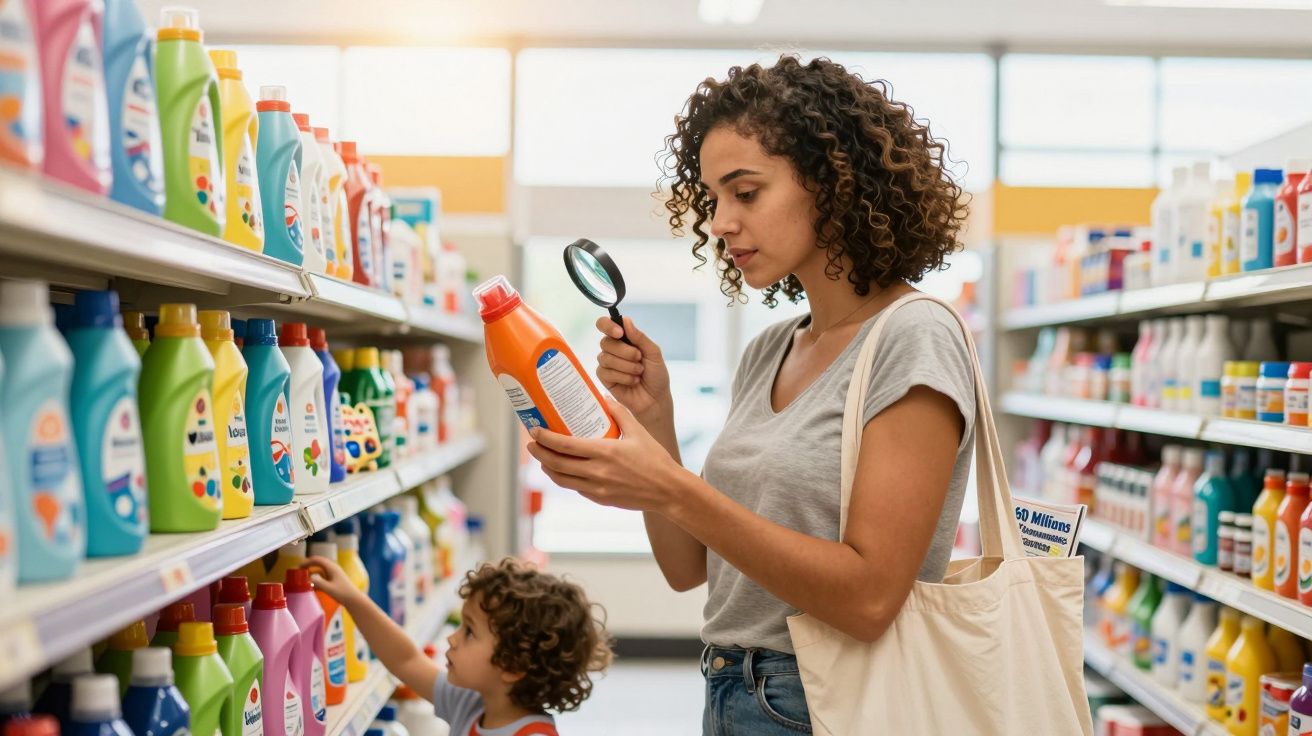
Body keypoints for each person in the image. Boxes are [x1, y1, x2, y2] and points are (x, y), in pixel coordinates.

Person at [526, 54, 974, 734]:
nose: (719, 223)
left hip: (829, 703)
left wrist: (672, 487)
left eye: (745, 192)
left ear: (833, 185)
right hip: (729, 688)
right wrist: (656, 422)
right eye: (713, 199)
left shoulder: (915, 336)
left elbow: (870, 600)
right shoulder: (771, 350)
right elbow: (688, 569)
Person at [305, 555, 613, 736]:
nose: (452, 638)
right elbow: (405, 660)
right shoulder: (472, 705)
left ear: (513, 665)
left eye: (469, 632)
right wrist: (351, 597)